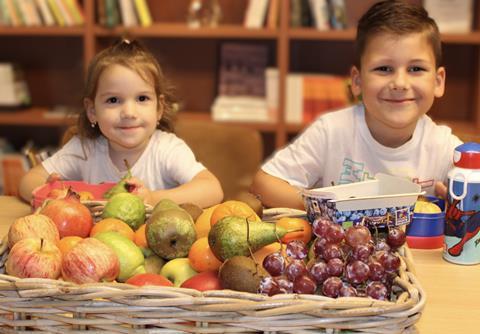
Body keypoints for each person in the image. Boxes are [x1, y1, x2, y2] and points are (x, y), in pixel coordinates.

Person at [250, 0, 462, 209]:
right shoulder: (331, 131)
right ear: (357, 81)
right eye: (384, 69)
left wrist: (459, 207)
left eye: (416, 69)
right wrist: (327, 208)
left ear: (438, 81)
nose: (400, 83)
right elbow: (264, 183)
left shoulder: (445, 148)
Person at [19, 39, 223, 208]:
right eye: (113, 100)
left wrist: (152, 198)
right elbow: (29, 180)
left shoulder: (167, 149)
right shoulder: (85, 148)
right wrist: (52, 194)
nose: (129, 113)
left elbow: (212, 188)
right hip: (93, 247)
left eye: (142, 99)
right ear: (92, 111)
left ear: (159, 108)